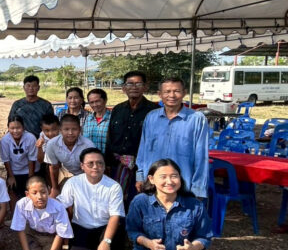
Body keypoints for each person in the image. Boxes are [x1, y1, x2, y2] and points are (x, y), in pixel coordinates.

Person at [126, 159, 213, 250]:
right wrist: (148, 243)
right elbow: (132, 230)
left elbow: (205, 236)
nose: (169, 181)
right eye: (163, 176)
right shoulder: (140, 202)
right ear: (151, 179)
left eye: (174, 176)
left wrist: (193, 247)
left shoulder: (194, 205)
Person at [57, 148, 126, 250]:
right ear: (82, 166)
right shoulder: (73, 183)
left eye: (100, 163)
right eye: (90, 163)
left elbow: (115, 216)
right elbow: (61, 206)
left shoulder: (113, 186)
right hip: (81, 226)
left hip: (105, 227)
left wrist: (106, 241)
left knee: (113, 239)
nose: (96, 167)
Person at [136, 77, 209, 199]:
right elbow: (143, 150)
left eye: (176, 91)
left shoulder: (197, 119)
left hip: (183, 184)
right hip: (154, 184)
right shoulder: (151, 117)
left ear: (184, 93)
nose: (172, 95)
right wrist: (140, 176)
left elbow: (201, 157)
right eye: (167, 91)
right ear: (160, 94)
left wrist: (198, 189)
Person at [105, 71, 159, 203]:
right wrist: (108, 162)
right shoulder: (118, 109)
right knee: (116, 200)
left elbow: (156, 142)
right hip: (118, 165)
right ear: (124, 88)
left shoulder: (154, 111)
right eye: (130, 84)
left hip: (143, 166)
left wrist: (136, 159)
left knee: (140, 200)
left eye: (138, 83)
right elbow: (110, 136)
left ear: (145, 87)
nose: (134, 87)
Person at [11, 176, 73, 250]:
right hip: (32, 236)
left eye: (43, 192)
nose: (40, 196)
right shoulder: (21, 204)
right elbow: (20, 230)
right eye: (34, 193)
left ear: (49, 190)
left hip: (51, 239)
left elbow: (60, 234)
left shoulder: (58, 207)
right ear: (27, 194)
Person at [44, 114, 95, 198]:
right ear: (60, 130)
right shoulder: (52, 144)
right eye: (66, 129)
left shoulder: (88, 145)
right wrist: (55, 188)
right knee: (59, 200)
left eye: (74, 129)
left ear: (80, 130)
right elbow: (54, 167)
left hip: (85, 175)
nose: (70, 133)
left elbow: (91, 168)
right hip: (66, 176)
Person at [1, 115, 38, 207]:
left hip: (29, 170)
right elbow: (6, 159)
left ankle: (31, 212)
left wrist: (30, 177)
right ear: (8, 128)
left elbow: (31, 159)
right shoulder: (5, 140)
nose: (15, 131)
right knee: (11, 189)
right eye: (12, 128)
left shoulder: (30, 138)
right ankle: (15, 214)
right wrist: (11, 176)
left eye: (18, 128)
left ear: (23, 127)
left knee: (31, 190)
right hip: (14, 171)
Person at [82, 88, 111, 154]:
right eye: (91, 102)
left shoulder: (113, 118)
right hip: (90, 159)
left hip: (108, 161)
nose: (95, 105)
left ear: (105, 100)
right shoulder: (88, 119)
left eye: (97, 101)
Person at [36, 114, 60, 185]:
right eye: (46, 130)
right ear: (42, 129)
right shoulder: (42, 137)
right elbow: (40, 160)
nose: (51, 133)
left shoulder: (63, 135)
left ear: (59, 127)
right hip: (49, 166)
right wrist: (39, 148)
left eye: (54, 129)